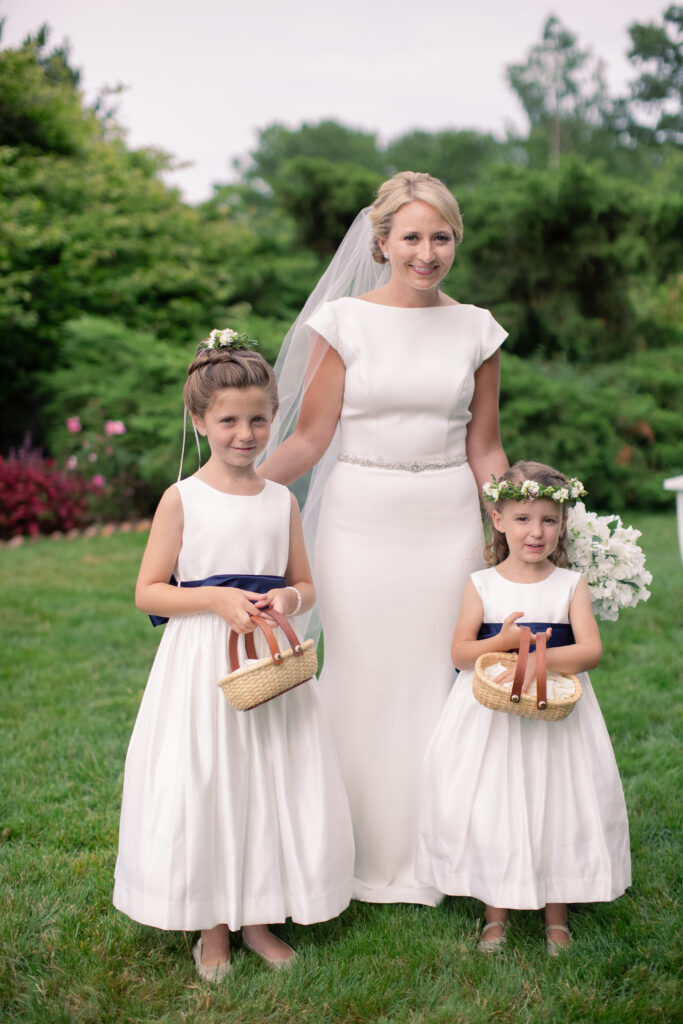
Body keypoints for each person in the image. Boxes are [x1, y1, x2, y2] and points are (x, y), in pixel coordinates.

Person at [259, 171, 508, 905]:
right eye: (411, 238)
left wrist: (518, 524)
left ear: (454, 242)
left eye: (441, 238)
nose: (426, 253)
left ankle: (437, 851)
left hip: (445, 522)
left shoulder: (478, 330)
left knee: (438, 681)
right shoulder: (344, 323)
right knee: (362, 675)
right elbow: (308, 440)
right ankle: (344, 849)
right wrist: (241, 497)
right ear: (382, 242)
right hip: (359, 518)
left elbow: (485, 448)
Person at [113, 331, 354, 980]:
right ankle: (211, 926)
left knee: (266, 779)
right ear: (200, 421)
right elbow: (148, 590)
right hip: (202, 662)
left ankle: (259, 919)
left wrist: (287, 593)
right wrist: (216, 598)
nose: (244, 434)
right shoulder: (182, 499)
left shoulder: (280, 502)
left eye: (257, 419)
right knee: (211, 778)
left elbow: (305, 584)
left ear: (273, 419)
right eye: (227, 421)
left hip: (268, 666)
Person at [416, 461, 631, 954]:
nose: (536, 532)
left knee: (557, 801)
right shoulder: (482, 584)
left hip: (558, 719)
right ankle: (496, 913)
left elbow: (590, 652)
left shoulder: (570, 584)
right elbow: (460, 654)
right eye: (523, 519)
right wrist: (508, 643)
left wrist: (533, 659)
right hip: (491, 720)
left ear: (562, 525)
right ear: (498, 519)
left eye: (549, 520)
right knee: (496, 803)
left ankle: (557, 915)